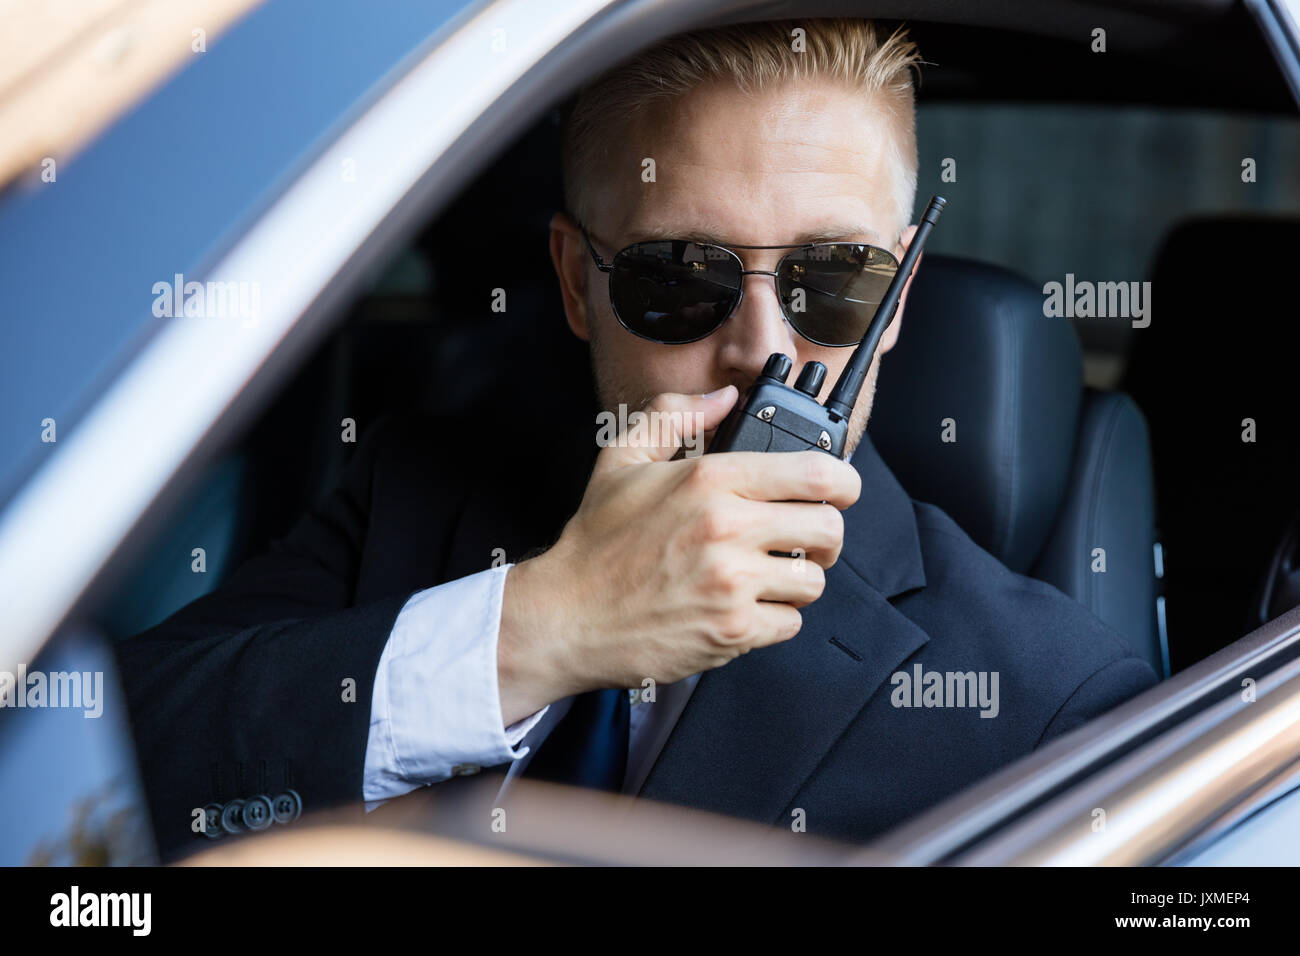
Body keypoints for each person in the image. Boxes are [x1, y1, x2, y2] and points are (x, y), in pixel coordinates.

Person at [115, 19, 1157, 860]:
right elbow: (105, 764)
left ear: (900, 293)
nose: (760, 346)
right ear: (576, 283)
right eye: (679, 279)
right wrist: (533, 630)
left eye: (832, 281)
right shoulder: (420, 489)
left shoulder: (1053, 702)